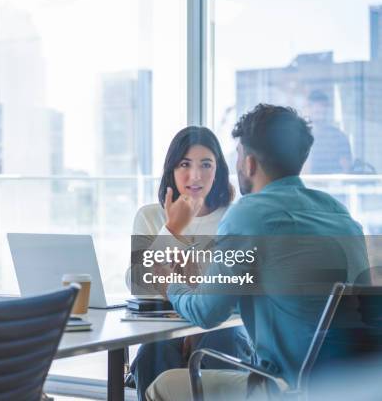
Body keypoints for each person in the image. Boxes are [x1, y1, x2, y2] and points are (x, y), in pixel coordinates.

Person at [146, 104, 369, 401]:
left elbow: (205, 313)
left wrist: (171, 285)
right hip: (356, 384)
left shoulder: (248, 216)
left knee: (162, 385)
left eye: (237, 155)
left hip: (286, 388)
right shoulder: (338, 213)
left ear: (249, 164)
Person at [126, 126, 255, 401]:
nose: (195, 175)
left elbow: (231, 290)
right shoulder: (150, 216)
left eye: (206, 164)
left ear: (218, 171)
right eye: (185, 164)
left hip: (224, 329)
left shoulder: (235, 218)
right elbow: (139, 283)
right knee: (155, 348)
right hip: (166, 328)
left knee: (223, 339)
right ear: (172, 169)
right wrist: (172, 229)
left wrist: (176, 276)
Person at [305, 90, 352, 174]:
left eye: (321, 106)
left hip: (333, 186)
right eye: (312, 106)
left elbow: (346, 171)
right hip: (306, 185)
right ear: (307, 109)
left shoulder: (339, 137)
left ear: (327, 109)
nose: (317, 110)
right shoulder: (299, 137)